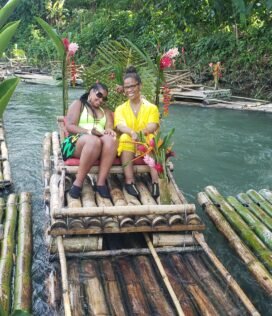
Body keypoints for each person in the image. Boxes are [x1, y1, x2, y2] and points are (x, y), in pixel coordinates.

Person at [61, 82, 117, 199]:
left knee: (110, 140)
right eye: (99, 95)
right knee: (93, 141)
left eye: (104, 98)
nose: (101, 100)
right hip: (76, 142)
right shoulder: (79, 104)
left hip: (100, 144)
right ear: (91, 91)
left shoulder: (105, 110)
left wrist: (109, 131)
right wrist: (90, 131)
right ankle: (78, 183)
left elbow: (109, 126)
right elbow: (70, 126)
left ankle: (101, 183)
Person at [114, 66, 160, 198]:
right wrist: (132, 133)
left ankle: (156, 181)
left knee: (151, 137)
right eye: (126, 87)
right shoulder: (120, 108)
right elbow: (120, 125)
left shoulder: (151, 108)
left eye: (132, 86)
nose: (129, 90)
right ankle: (129, 181)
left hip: (144, 141)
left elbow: (153, 125)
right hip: (129, 142)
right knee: (124, 137)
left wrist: (140, 134)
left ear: (140, 86)